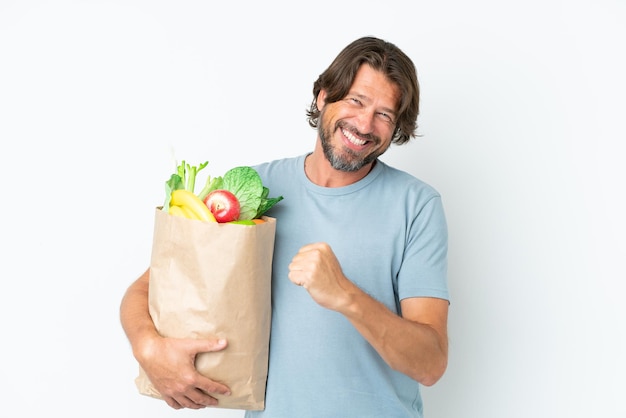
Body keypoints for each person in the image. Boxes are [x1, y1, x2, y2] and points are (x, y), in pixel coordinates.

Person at [120, 35, 449, 417]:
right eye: (356, 101)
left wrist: (344, 294)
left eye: (384, 115)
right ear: (323, 96)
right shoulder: (253, 190)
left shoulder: (417, 206)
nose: (364, 124)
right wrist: (148, 348)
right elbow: (147, 287)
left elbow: (430, 364)